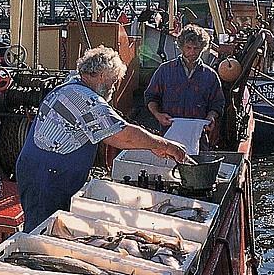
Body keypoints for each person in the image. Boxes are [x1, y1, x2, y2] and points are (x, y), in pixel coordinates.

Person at [15, 45, 189, 232]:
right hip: (47, 178)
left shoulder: (72, 83)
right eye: (113, 81)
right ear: (100, 75)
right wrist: (164, 145)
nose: (113, 88)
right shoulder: (85, 99)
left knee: (55, 227)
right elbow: (123, 135)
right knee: (41, 230)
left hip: (44, 171)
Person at [144, 24, 225, 144]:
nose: (192, 52)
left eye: (196, 48)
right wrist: (158, 115)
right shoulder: (165, 70)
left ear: (202, 48)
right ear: (181, 47)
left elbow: (217, 103)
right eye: (188, 48)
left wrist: (211, 117)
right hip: (168, 134)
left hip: (198, 137)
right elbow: (151, 96)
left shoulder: (210, 75)